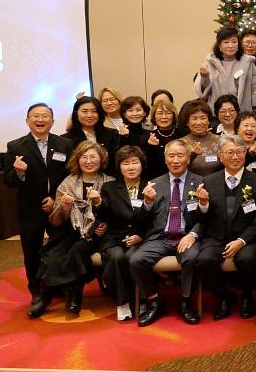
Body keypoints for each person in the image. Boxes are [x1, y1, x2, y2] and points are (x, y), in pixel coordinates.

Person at [3, 103, 74, 317]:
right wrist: (18, 172)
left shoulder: (64, 144)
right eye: (35, 116)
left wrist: (56, 199)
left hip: (57, 207)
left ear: (52, 121)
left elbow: (70, 176)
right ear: (27, 121)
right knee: (32, 253)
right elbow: (9, 181)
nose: (40, 119)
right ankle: (36, 292)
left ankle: (59, 285)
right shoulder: (15, 146)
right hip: (30, 211)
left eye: (45, 116)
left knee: (60, 248)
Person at [129, 139, 206, 326]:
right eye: (171, 156)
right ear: (165, 160)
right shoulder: (155, 183)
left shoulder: (200, 182)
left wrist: (193, 235)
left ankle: (186, 302)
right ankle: (155, 301)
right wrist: (147, 203)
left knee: (191, 258)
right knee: (136, 260)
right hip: (160, 237)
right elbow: (141, 221)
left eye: (180, 156)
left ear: (188, 158)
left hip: (187, 236)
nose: (176, 160)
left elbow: (208, 216)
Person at [193, 136, 256, 321]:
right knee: (204, 260)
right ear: (220, 156)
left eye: (239, 152)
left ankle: (246, 296)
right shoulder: (208, 181)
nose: (235, 157)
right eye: (230, 152)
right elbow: (201, 219)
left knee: (247, 259)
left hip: (246, 238)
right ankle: (224, 297)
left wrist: (241, 241)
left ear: (245, 154)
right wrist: (202, 204)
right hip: (216, 237)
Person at [38, 140, 114, 316]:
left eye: (93, 157)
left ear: (101, 159)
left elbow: (116, 212)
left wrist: (106, 225)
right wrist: (64, 206)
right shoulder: (68, 182)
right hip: (71, 231)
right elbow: (56, 220)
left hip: (98, 234)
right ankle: (49, 295)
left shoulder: (110, 182)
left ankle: (65, 295)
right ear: (77, 160)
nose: (88, 161)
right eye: (84, 157)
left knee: (77, 250)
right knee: (53, 254)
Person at [95, 145, 151, 321]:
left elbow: (156, 217)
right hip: (114, 237)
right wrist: (97, 203)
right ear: (119, 166)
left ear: (142, 164)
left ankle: (141, 299)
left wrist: (141, 235)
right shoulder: (109, 187)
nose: (131, 167)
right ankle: (122, 302)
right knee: (116, 257)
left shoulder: (150, 185)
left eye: (135, 162)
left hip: (141, 237)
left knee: (133, 258)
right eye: (126, 163)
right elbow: (103, 215)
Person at [193, 26, 256, 114]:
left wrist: (254, 114)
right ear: (219, 45)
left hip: (242, 114)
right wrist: (204, 77)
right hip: (217, 114)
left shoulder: (248, 63)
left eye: (234, 42)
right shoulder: (210, 63)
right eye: (226, 42)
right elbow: (202, 93)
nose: (231, 46)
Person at [178, 99, 223, 176]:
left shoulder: (221, 141)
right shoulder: (180, 144)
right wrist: (191, 156)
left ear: (209, 120)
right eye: (194, 118)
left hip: (217, 182)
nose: (199, 123)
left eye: (203, 118)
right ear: (187, 122)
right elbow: (177, 170)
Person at [145, 97, 186, 178]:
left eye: (168, 113)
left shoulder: (183, 134)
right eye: (160, 113)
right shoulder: (148, 137)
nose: (164, 117)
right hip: (157, 179)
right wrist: (151, 147)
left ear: (173, 115)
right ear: (154, 116)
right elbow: (147, 166)